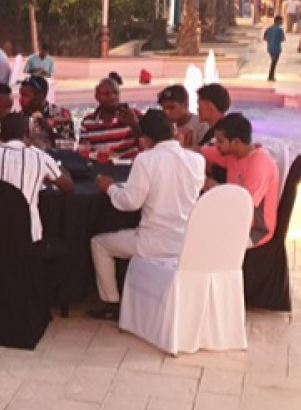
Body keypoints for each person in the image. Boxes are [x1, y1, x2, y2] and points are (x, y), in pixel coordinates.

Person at [88, 110, 205, 320]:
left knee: (99, 243)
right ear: (174, 130)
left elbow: (130, 202)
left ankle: (111, 303)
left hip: (153, 242)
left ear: (145, 139)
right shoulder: (197, 160)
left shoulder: (146, 160)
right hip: (187, 241)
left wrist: (110, 188)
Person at [0, 112, 73, 243]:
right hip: (27, 235)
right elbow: (68, 187)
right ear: (27, 132)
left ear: (0, 134)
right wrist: (57, 165)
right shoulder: (39, 157)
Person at [207, 113, 281, 247]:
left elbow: (244, 205)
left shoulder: (259, 164)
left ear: (235, 142)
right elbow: (202, 151)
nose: (216, 145)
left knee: (212, 245)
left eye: (220, 141)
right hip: (234, 220)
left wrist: (215, 188)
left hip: (255, 230)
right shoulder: (231, 155)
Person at [80, 78, 140, 158]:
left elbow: (147, 145)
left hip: (128, 168)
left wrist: (135, 125)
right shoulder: (88, 122)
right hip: (100, 167)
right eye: (106, 94)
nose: (112, 97)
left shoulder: (133, 115)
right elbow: (84, 150)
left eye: (116, 93)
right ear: (97, 97)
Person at [18, 76, 73, 148]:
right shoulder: (19, 117)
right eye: (21, 95)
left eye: (25, 96)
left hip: (53, 157)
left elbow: (69, 144)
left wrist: (49, 129)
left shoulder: (61, 114)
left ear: (41, 96)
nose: (21, 100)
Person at [157, 84, 208, 149]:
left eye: (171, 107)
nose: (166, 112)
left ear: (185, 105)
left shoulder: (201, 125)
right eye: (164, 108)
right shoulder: (164, 126)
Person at [263, 16, 286, 82]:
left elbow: (264, 37)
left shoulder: (268, 29)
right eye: (281, 21)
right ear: (278, 21)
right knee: (274, 63)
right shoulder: (280, 30)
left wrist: (270, 40)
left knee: (273, 62)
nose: (282, 22)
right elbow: (283, 39)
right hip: (277, 48)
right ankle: (271, 76)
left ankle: (271, 76)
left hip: (270, 48)